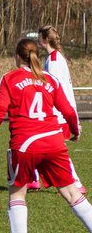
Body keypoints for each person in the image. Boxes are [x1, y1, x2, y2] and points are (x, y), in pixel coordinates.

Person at [0, 38, 90, 233]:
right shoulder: (49, 79)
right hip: (53, 143)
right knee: (72, 193)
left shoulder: (9, 79)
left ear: (17, 56)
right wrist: (75, 131)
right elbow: (68, 111)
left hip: (24, 145)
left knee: (17, 193)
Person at [39, 25, 83, 192]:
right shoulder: (54, 58)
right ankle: (33, 179)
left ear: (44, 40)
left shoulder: (55, 61)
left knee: (56, 151)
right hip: (59, 112)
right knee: (42, 147)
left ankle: (76, 183)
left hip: (57, 114)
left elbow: (55, 89)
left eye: (39, 38)